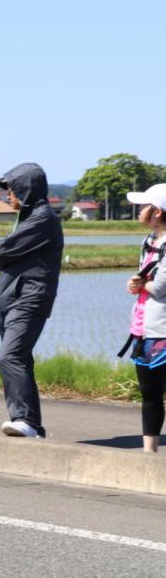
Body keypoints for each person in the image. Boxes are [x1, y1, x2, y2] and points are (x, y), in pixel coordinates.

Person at [0, 163, 64, 438]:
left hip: (30, 299)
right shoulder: (29, 216)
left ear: (25, 190)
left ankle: (25, 420)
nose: (8, 196)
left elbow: (2, 251)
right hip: (14, 297)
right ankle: (31, 423)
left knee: (9, 355)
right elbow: (6, 253)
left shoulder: (43, 218)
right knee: (19, 358)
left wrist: (2, 249)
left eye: (12, 191)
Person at [124, 184, 166, 453]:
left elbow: (160, 287)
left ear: (158, 212)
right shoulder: (149, 241)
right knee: (149, 394)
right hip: (144, 327)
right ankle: (148, 453)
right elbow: (148, 281)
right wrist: (135, 284)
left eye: (144, 206)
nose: (139, 210)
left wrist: (143, 283)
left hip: (163, 330)